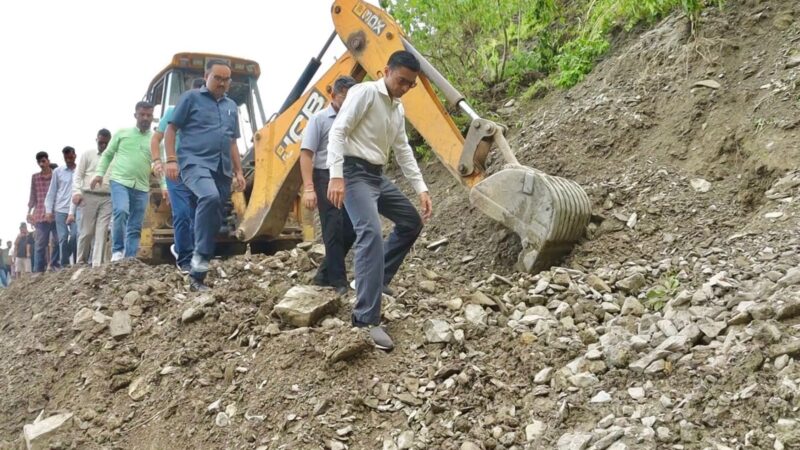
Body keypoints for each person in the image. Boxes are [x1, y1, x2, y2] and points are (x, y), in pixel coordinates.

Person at [326, 51, 433, 351]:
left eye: (410, 85)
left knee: (411, 222)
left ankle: (374, 279)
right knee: (370, 232)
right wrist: (336, 176)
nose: (404, 88)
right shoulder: (365, 94)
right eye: (402, 81)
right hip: (352, 172)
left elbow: (403, 150)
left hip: (376, 176)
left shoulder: (396, 109)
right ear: (386, 71)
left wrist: (421, 188)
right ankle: (365, 319)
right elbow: (338, 131)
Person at [164, 60, 246, 291]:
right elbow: (171, 130)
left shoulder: (231, 106)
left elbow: (232, 141)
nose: (222, 83)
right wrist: (171, 160)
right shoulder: (190, 98)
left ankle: (198, 274)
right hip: (194, 162)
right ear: (207, 76)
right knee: (208, 197)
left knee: (215, 214)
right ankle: (197, 257)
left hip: (222, 168)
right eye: (217, 78)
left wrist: (238, 171)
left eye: (226, 79)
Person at [300, 76, 358, 295]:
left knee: (351, 228)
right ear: (333, 95)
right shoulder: (320, 119)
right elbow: (306, 154)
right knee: (332, 226)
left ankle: (324, 274)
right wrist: (308, 188)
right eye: (344, 96)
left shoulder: (355, 118)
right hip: (324, 175)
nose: (348, 102)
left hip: (348, 175)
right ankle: (338, 282)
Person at [151, 78, 205, 274]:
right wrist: (158, 161)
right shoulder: (173, 112)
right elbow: (156, 138)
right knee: (181, 214)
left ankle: (188, 251)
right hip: (175, 172)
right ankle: (184, 259)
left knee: (197, 217)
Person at [92, 102, 154, 261]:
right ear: (136, 115)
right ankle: (117, 251)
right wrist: (99, 174)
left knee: (135, 224)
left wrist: (165, 187)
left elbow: (160, 163)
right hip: (119, 181)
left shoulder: (155, 139)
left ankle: (130, 257)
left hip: (142, 186)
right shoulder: (122, 133)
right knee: (121, 211)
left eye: (149, 115)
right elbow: (107, 155)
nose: (145, 118)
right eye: (142, 114)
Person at [72, 129, 113, 267]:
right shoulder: (87, 155)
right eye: (101, 142)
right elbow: (78, 175)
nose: (103, 145)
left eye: (106, 143)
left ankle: (97, 264)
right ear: (96, 140)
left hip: (108, 197)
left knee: (102, 231)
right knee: (87, 231)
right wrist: (77, 192)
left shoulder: (115, 156)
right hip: (89, 196)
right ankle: (81, 261)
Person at [45, 146, 78, 267]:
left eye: (70, 157)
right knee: (63, 238)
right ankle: (64, 265)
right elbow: (51, 192)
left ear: (75, 155)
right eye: (66, 158)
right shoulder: (57, 172)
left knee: (76, 235)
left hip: (76, 209)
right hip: (60, 209)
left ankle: (76, 262)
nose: (68, 160)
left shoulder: (80, 170)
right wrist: (48, 211)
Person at [28, 151, 60, 273]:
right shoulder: (35, 177)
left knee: (58, 241)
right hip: (40, 214)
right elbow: (32, 196)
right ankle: (38, 271)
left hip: (56, 214)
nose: (42, 164)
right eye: (39, 162)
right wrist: (29, 212)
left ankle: (53, 265)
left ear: (48, 161)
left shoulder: (56, 175)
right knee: (40, 244)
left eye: (44, 161)